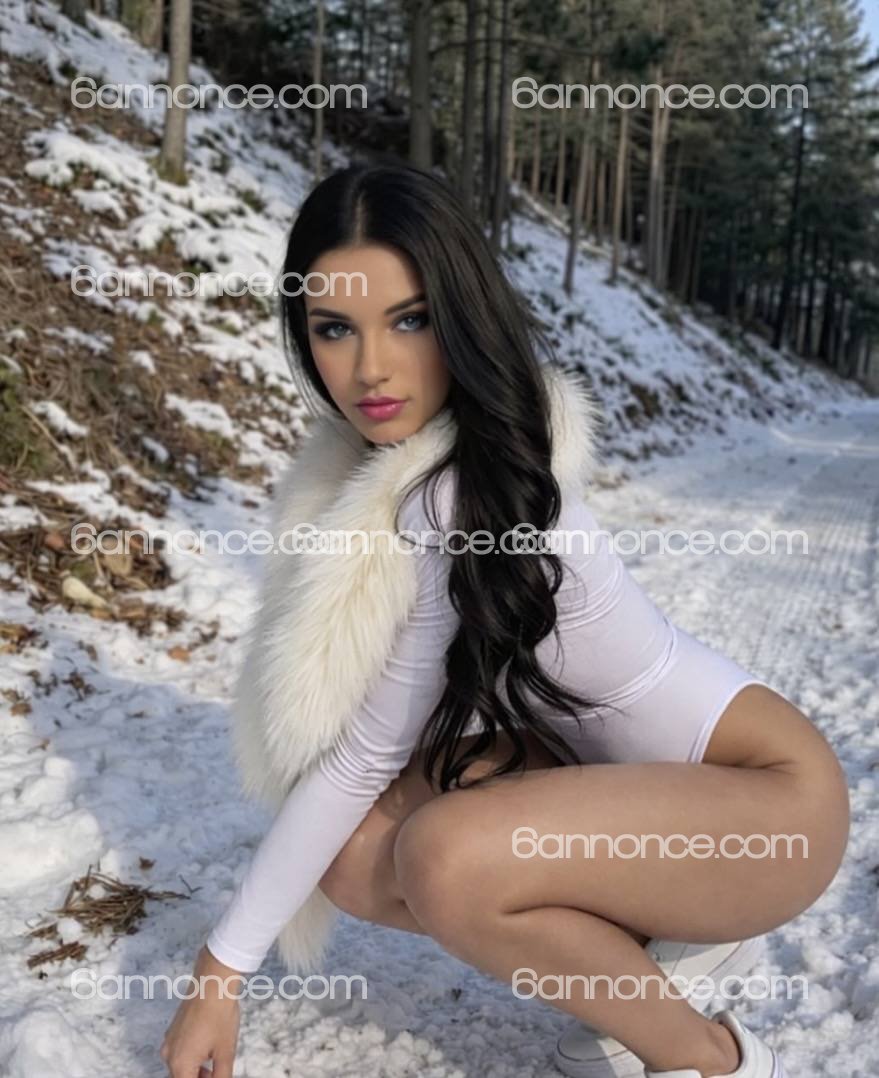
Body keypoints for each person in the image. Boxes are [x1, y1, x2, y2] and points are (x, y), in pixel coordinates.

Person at [160, 162, 850, 1078]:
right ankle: (655, 957)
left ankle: (711, 1060)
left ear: (461, 315)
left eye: (409, 320)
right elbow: (373, 758)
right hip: (639, 793)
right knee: (360, 853)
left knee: (444, 858)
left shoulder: (455, 494)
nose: (370, 368)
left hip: (769, 807)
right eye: (334, 329)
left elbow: (367, 749)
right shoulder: (411, 472)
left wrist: (219, 975)